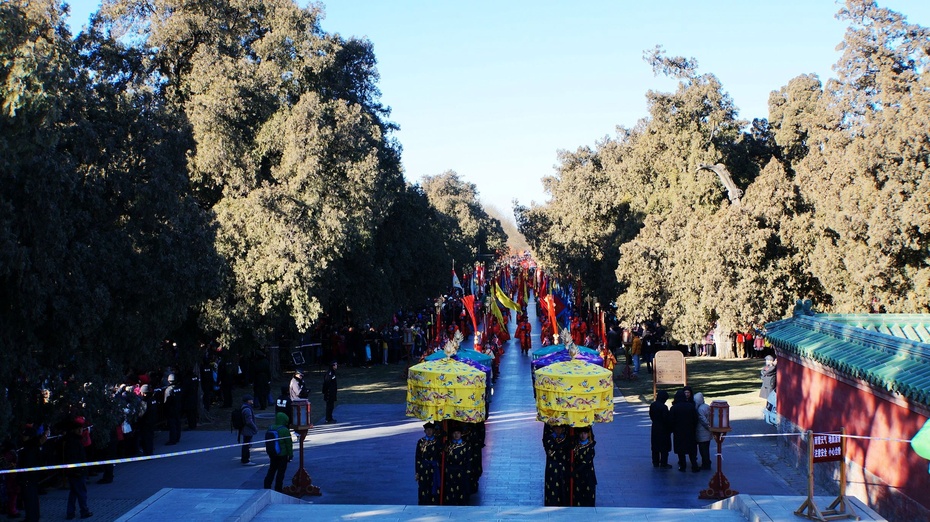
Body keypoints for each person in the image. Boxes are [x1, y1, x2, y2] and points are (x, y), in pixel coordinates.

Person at [63, 418, 93, 519]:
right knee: (81, 492)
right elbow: (74, 457)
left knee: (74, 492)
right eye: (79, 429)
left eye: (81, 429)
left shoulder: (72, 440)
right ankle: (84, 511)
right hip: (77, 471)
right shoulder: (74, 442)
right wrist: (79, 470)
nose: (81, 431)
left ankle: (70, 512)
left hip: (74, 471)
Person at [670, 388, 699, 472]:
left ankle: (683, 466)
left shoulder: (674, 408)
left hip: (678, 431)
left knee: (681, 450)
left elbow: (671, 420)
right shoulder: (690, 406)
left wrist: (672, 429)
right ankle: (694, 465)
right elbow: (695, 419)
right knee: (692, 449)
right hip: (690, 430)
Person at [18, 426, 44, 522]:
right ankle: (33, 517)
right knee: (32, 498)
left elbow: (27, 464)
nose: (23, 437)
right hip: (32, 477)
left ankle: (31, 518)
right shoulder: (33, 447)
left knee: (30, 499)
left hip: (28, 478)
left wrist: (23, 478)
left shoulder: (29, 449)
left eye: (25, 436)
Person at [263, 412, 294, 492]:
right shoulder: (284, 430)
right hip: (282, 454)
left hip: (272, 453)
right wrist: (290, 454)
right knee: (281, 472)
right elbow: (288, 443)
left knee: (272, 470)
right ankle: (278, 488)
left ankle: (267, 486)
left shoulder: (270, 428)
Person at [443, 423, 471, 505]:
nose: (456, 435)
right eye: (454, 433)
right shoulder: (448, 445)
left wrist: (468, 470)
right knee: (450, 487)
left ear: (461, 434)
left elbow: (469, 459)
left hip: (461, 469)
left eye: (458, 433)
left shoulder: (466, 445)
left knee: (461, 487)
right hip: (450, 469)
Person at [543, 424, 570, 506]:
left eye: (560, 428)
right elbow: (550, 449)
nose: (558, 430)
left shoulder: (566, 437)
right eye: (556, 428)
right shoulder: (549, 438)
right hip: (553, 465)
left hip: (564, 466)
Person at [414, 422, 441, 505]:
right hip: (423, 467)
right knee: (423, 486)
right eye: (427, 430)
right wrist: (417, 471)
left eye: (430, 430)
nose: (429, 432)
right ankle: (423, 502)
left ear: (433, 431)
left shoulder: (437, 441)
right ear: (425, 431)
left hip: (433, 468)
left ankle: (433, 502)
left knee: (433, 485)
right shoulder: (421, 442)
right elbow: (417, 457)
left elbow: (440, 455)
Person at [572, 426, 597, 507]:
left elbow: (586, 461)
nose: (583, 435)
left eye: (585, 433)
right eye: (581, 433)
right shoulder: (575, 445)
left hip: (588, 475)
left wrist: (575, 470)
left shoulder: (590, 446)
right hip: (578, 476)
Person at [649, 390, 673, 469]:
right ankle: (663, 462)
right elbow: (666, 419)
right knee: (664, 447)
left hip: (655, 427)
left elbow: (651, 415)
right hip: (663, 428)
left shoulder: (653, 405)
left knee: (655, 445)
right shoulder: (664, 407)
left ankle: (655, 461)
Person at [163, 373, 182, 446]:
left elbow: (166, 402)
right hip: (178, 408)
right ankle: (177, 437)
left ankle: (172, 440)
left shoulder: (169, 390)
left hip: (171, 410)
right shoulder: (179, 388)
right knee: (178, 423)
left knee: (172, 425)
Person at [694, 392, 712, 471]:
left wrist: (708, 427)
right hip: (707, 433)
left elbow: (703, 420)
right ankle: (707, 462)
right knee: (706, 448)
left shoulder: (699, 409)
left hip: (702, 432)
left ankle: (706, 464)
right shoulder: (707, 406)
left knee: (703, 449)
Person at [240, 395, 258, 466]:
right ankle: (246, 460)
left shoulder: (243, 407)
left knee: (246, 444)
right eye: (251, 400)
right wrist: (255, 428)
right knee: (247, 444)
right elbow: (249, 421)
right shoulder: (247, 409)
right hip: (247, 430)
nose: (252, 401)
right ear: (248, 401)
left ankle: (244, 458)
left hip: (245, 429)